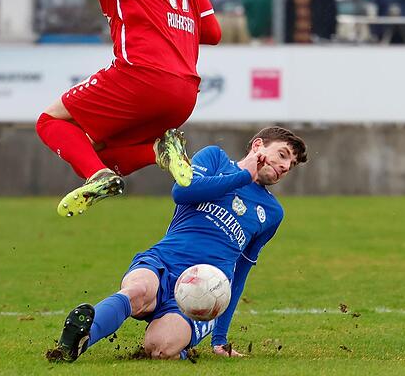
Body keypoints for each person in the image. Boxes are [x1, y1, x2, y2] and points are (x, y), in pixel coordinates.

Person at [0, 0, 222, 217]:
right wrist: (168, 21)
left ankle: (99, 176)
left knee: (50, 122)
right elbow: (212, 31)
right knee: (93, 152)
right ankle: (158, 151)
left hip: (140, 75)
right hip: (185, 93)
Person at [45, 127, 308, 362]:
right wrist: (242, 175)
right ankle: (77, 342)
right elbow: (182, 192)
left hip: (205, 289)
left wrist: (220, 339)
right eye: (283, 155)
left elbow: (240, 273)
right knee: (137, 291)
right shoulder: (214, 159)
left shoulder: (272, 212)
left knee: (159, 348)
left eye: (292, 165)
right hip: (164, 260)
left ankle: (176, 339)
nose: (286, 166)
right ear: (258, 145)